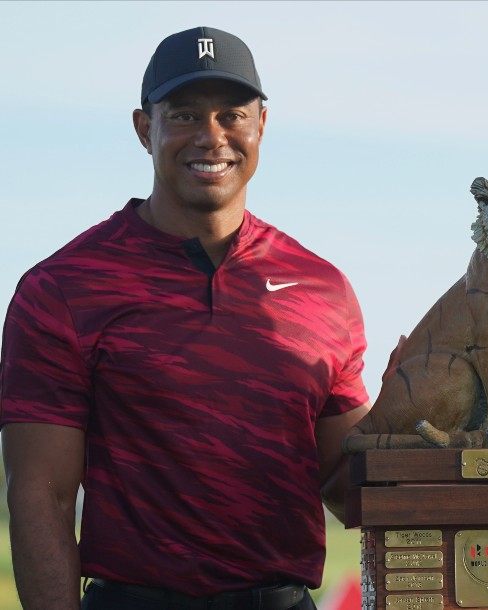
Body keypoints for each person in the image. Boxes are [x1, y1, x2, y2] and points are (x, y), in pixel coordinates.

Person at [0, 27, 370, 610]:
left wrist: (434, 420)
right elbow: (40, 495)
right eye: (185, 115)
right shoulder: (62, 288)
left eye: (232, 115)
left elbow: (350, 488)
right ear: (144, 128)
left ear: (262, 126)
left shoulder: (322, 289)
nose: (211, 137)